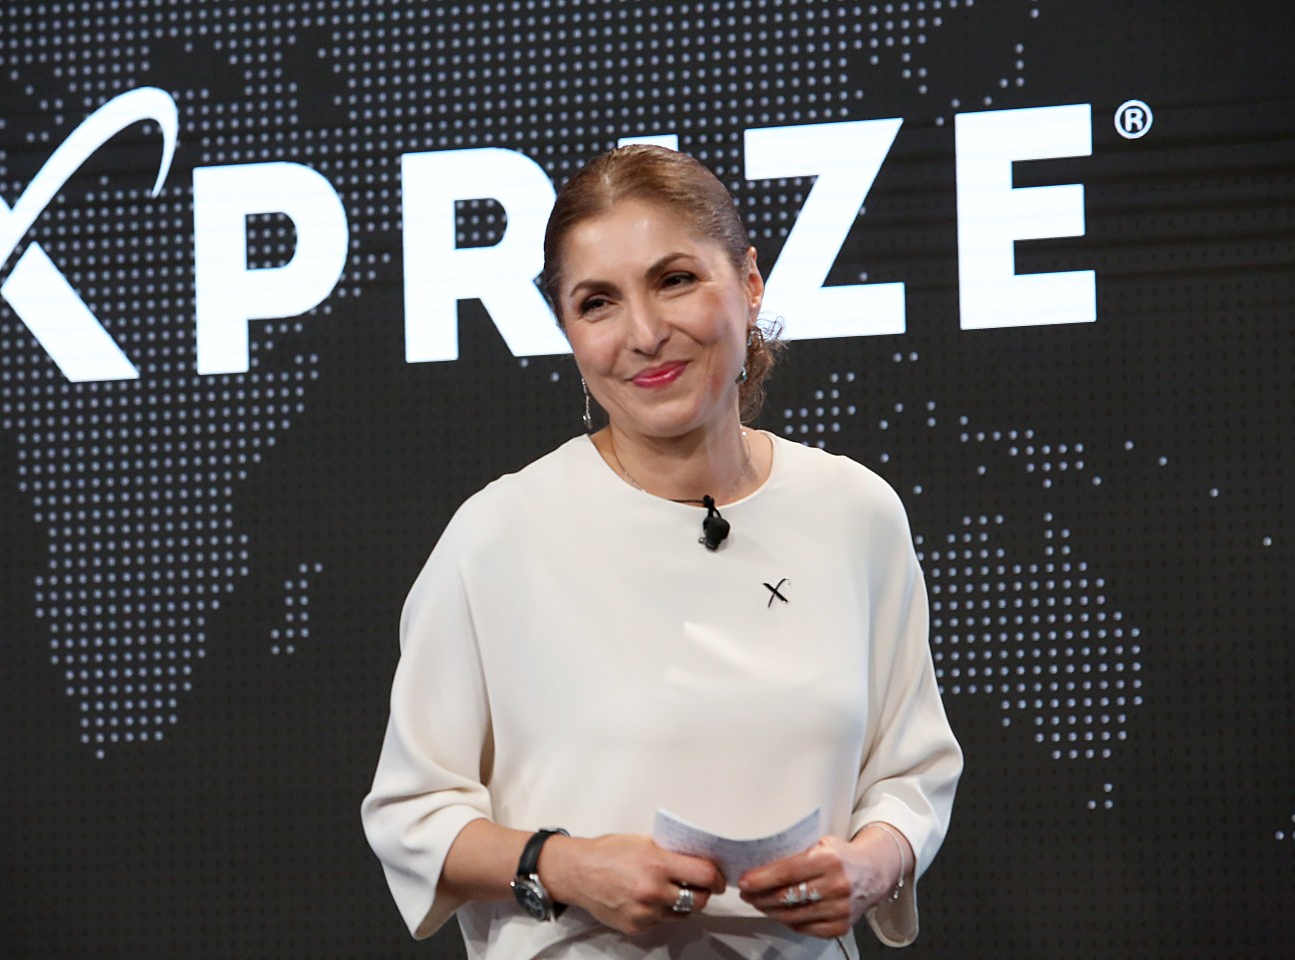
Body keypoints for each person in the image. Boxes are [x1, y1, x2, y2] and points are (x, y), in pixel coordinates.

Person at [361, 145, 962, 959]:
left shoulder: (856, 513)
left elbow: (910, 773)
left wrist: (870, 867)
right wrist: (565, 866)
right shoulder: (497, 536)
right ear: (567, 329)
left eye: (675, 280)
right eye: (597, 303)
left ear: (750, 283)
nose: (644, 335)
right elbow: (411, 813)